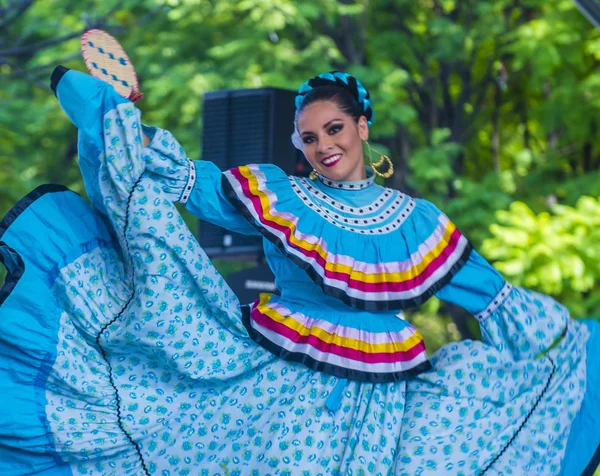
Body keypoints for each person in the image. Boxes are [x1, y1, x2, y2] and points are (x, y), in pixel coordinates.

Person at [0, 66, 598, 476]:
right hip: (285, 388)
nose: (323, 146)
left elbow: (491, 296)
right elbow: (188, 181)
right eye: (309, 137)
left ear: (362, 126)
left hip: (386, 402)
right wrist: (116, 118)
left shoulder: (417, 222)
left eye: (334, 129)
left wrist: (561, 349)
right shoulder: (281, 196)